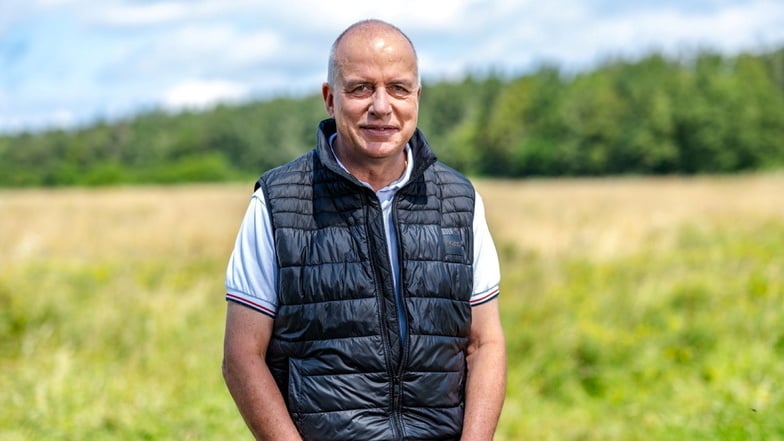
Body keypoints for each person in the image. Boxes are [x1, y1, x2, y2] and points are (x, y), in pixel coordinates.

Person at [222, 19, 506, 441]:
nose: (381, 106)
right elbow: (242, 357)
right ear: (329, 99)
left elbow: (485, 344)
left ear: (417, 97)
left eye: (398, 88)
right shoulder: (276, 203)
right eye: (360, 88)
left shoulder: (461, 201)